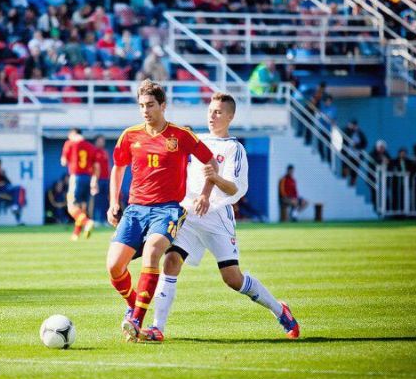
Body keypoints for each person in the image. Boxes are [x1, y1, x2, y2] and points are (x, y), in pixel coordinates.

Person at [144, 93, 299, 342]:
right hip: (189, 214)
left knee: (232, 279)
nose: (212, 116)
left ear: (230, 116)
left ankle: (279, 309)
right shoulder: (196, 140)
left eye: (218, 112)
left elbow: (236, 188)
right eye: (210, 111)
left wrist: (215, 179)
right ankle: (157, 327)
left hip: (217, 217)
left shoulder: (234, 149)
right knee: (171, 261)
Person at [107, 79, 218, 342]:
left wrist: (205, 193)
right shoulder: (129, 135)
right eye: (141, 105)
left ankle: (136, 320)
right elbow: (118, 168)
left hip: (167, 209)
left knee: (152, 252)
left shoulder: (181, 135)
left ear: (163, 105)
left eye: (150, 105)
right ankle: (133, 305)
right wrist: (114, 202)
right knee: (114, 267)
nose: (145, 111)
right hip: (135, 210)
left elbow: (211, 162)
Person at [61, 128, 99, 241]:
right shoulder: (90, 146)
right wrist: (94, 180)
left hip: (76, 177)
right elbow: (96, 166)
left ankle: (87, 222)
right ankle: (76, 234)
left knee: (71, 207)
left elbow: (63, 161)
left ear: (72, 134)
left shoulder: (70, 143)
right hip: (88, 178)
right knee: (82, 208)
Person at [0, 158, 25, 224]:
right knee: (17, 198)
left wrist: (3, 175)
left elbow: (9, 182)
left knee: (20, 191)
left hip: (7, 189)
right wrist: (3, 183)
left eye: (0, 165)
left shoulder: (2, 171)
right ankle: (18, 218)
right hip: (0, 191)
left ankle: (18, 216)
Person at [342, 120, 368, 186]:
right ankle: (343, 181)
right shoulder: (346, 131)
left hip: (357, 155)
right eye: (352, 125)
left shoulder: (360, 133)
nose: (353, 127)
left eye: (354, 125)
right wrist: (348, 128)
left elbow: (365, 143)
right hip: (347, 153)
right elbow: (343, 138)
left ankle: (352, 185)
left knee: (354, 171)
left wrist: (356, 146)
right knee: (345, 167)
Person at [92, 135, 110, 225]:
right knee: (97, 200)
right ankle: (96, 219)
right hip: (97, 180)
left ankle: (104, 220)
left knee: (105, 201)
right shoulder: (93, 151)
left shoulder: (105, 152)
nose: (102, 143)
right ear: (96, 142)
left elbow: (108, 166)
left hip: (106, 179)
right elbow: (94, 167)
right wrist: (94, 180)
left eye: (103, 141)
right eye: (100, 141)